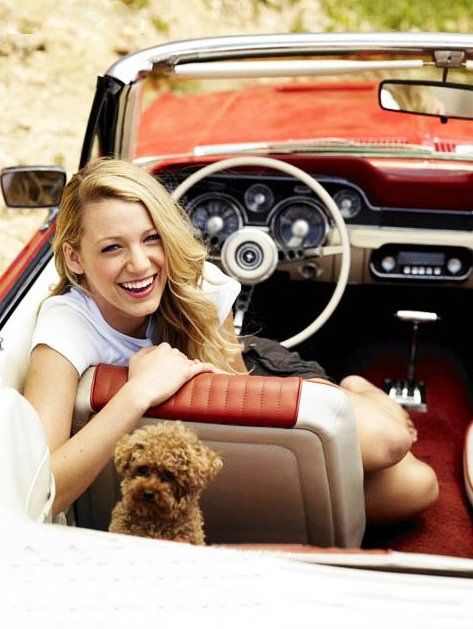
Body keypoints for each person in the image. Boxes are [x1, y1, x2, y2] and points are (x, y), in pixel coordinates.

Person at [23, 158, 438, 524]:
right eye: (112, 247)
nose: (140, 263)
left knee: (392, 444)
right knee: (416, 487)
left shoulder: (198, 287)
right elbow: (42, 490)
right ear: (75, 258)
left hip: (246, 369)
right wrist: (137, 394)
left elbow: (240, 413)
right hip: (171, 454)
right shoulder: (64, 329)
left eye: (152, 238)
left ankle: (359, 389)